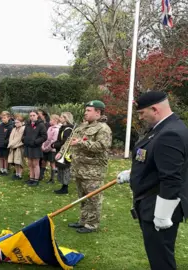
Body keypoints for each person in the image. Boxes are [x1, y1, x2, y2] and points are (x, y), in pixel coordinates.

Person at [116, 91, 188, 270]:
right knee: (157, 255)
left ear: (155, 109)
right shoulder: (164, 128)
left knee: (161, 260)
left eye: (141, 113)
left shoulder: (169, 133)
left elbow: (171, 178)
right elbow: (158, 162)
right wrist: (133, 172)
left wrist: (162, 215)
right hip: (151, 202)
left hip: (159, 205)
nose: (140, 117)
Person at [57, 100, 112, 233]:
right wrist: (61, 152)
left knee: (93, 198)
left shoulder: (103, 128)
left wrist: (81, 143)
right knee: (82, 197)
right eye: (86, 110)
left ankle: (91, 224)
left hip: (93, 171)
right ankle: (83, 220)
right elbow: (71, 139)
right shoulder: (82, 126)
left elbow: (102, 146)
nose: (85, 113)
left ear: (98, 112)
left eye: (89, 110)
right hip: (80, 168)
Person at [23, 111, 47, 186]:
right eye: (30, 115)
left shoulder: (41, 125)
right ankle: (31, 178)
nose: (32, 117)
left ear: (37, 116)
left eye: (34, 115)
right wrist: (24, 140)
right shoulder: (27, 125)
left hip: (36, 147)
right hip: (28, 146)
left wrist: (35, 142)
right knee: (30, 163)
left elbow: (44, 136)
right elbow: (24, 135)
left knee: (35, 164)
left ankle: (36, 180)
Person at [53, 112, 74, 194]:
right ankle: (63, 185)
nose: (60, 118)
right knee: (61, 168)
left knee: (65, 169)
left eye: (61, 117)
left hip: (66, 151)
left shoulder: (68, 129)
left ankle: (65, 187)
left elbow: (65, 141)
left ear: (66, 118)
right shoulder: (63, 127)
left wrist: (55, 145)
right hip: (60, 150)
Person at [41, 114, 61, 184]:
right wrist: (43, 145)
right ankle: (41, 175)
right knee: (43, 161)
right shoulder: (49, 128)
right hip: (45, 148)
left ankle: (52, 179)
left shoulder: (57, 129)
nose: (50, 121)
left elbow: (53, 140)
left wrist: (47, 148)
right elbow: (46, 138)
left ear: (55, 120)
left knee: (52, 163)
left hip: (52, 149)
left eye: (51, 120)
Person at [0, 111, 13, 175]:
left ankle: (5, 170)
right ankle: (1, 169)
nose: (3, 119)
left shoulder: (10, 126)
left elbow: (10, 137)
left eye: (4, 118)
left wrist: (5, 142)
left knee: (5, 158)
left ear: (8, 118)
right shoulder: (0, 126)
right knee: (1, 157)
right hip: (0, 145)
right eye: (2, 118)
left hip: (5, 145)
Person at [7, 114, 25, 180]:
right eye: (15, 122)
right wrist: (11, 145)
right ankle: (16, 173)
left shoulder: (23, 129)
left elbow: (19, 139)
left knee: (19, 161)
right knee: (15, 162)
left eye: (18, 122)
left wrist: (14, 145)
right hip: (13, 147)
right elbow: (11, 137)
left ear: (22, 122)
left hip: (19, 147)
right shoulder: (14, 129)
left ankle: (20, 174)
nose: (16, 124)